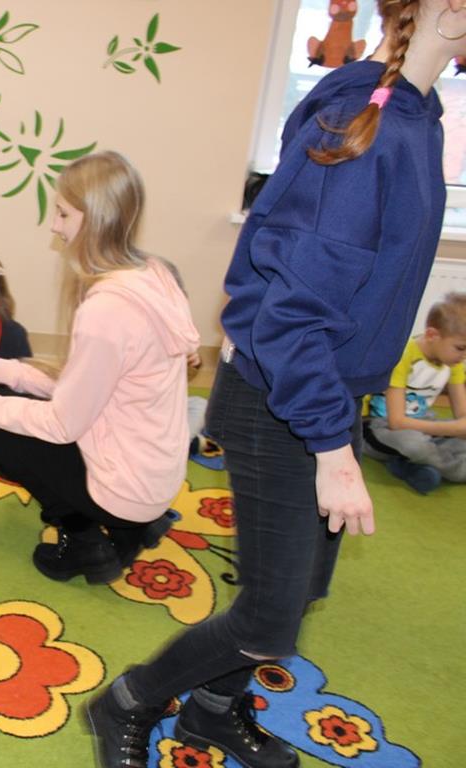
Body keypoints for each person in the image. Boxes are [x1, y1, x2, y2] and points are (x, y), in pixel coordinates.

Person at [83, 3, 466, 767]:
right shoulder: (363, 126)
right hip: (281, 399)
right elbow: (289, 317)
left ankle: (211, 713)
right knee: (266, 617)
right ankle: (126, 700)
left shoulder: (417, 118)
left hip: (322, 390)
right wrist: (334, 449)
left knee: (298, 594)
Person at [0, 151, 200, 586]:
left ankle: (83, 539)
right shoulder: (152, 274)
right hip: (153, 477)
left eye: (63, 213)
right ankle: (131, 528)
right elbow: (80, 385)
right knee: (4, 399)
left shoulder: (107, 309)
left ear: (96, 219)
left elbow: (63, 422)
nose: (55, 225)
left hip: (127, 487)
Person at [366, 292, 466, 492]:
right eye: (460, 348)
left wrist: (457, 428)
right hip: (381, 428)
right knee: (414, 445)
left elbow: (462, 415)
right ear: (432, 335)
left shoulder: (454, 363)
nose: (464, 356)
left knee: (435, 443)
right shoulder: (403, 356)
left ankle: (412, 467)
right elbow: (396, 422)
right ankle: (456, 470)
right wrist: (452, 429)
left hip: (424, 423)